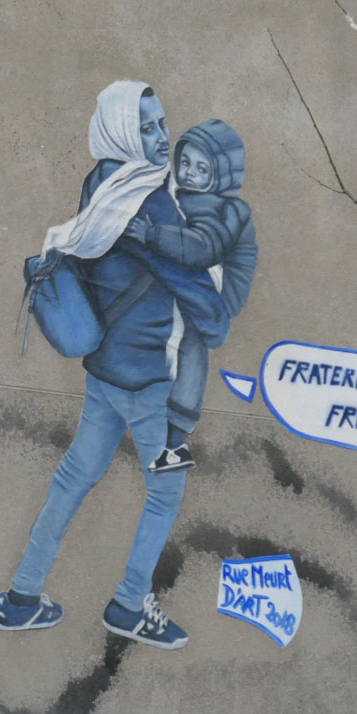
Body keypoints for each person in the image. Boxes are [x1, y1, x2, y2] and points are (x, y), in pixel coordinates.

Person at [0, 80, 219, 650]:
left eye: (162, 122)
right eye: (145, 127)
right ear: (121, 131)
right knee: (165, 491)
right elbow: (201, 292)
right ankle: (129, 604)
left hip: (105, 371)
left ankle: (21, 598)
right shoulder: (151, 201)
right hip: (148, 380)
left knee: (74, 476)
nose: (161, 136)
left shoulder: (105, 182)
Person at [122, 120, 257, 473]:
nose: (190, 173)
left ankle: (176, 442)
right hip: (206, 277)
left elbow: (201, 249)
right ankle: (169, 437)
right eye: (185, 163)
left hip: (220, 290)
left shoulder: (224, 209)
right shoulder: (189, 196)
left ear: (221, 175)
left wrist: (152, 235)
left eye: (202, 168)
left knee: (192, 351)